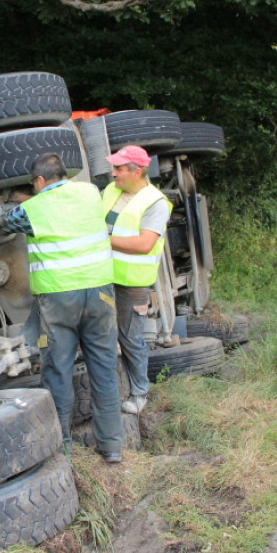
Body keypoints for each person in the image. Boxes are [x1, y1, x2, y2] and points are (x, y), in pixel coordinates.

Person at [0, 154, 124, 463]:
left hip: (58, 300)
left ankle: (62, 449)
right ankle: (111, 448)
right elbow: (113, 221)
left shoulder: (33, 208)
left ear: (40, 181)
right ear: (64, 175)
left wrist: (21, 200)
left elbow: (4, 223)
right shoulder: (91, 193)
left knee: (58, 372)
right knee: (105, 370)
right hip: (101, 294)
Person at [102, 145, 172, 415]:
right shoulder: (111, 190)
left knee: (130, 338)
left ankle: (139, 393)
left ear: (137, 171)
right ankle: (113, 390)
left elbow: (144, 244)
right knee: (102, 335)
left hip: (131, 284)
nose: (113, 173)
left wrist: (102, 241)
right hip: (102, 276)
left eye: (119, 169)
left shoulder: (155, 203)